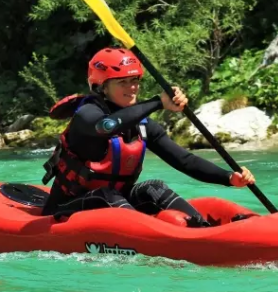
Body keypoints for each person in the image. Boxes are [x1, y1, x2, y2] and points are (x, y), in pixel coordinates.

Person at [41, 47, 255, 227]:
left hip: (116, 204)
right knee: (106, 195)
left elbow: (185, 161)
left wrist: (229, 178)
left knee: (154, 187)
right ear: (102, 86)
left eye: (135, 80)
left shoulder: (143, 126)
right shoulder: (87, 114)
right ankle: (145, 235)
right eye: (122, 82)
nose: (132, 87)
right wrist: (158, 102)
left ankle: (203, 232)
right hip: (65, 209)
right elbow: (106, 126)